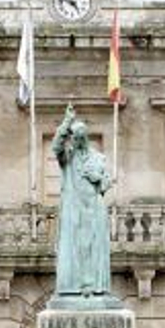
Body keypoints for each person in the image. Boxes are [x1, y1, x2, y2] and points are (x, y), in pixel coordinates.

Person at [50, 105, 112, 299]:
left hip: (94, 208)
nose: (76, 141)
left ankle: (94, 287)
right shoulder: (67, 157)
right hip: (73, 208)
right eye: (73, 137)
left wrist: (98, 178)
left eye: (79, 137)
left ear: (85, 137)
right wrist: (66, 123)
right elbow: (56, 147)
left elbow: (106, 183)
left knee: (93, 247)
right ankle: (75, 287)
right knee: (75, 248)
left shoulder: (98, 158)